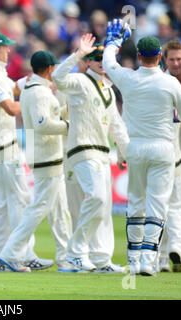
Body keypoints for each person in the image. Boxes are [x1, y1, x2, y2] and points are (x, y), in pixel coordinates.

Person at [103, 19, 181, 276]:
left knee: (136, 201)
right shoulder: (170, 83)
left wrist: (113, 41)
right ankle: (150, 262)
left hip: (136, 147)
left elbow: (109, 63)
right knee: (158, 204)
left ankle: (134, 258)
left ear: (140, 56)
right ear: (160, 57)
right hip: (163, 148)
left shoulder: (128, 78)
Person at [0, 32, 53, 272]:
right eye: (5, 48)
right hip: (3, 146)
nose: (9, 51)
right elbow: (10, 107)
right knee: (21, 200)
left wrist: (37, 80)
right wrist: (36, 100)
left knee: (0, 203)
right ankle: (21, 255)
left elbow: (16, 88)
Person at [52, 33, 129, 273]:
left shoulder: (108, 89)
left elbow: (116, 125)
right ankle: (75, 254)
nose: (101, 64)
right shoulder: (81, 81)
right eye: (96, 60)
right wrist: (79, 54)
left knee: (103, 209)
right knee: (97, 198)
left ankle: (101, 258)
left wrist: (123, 153)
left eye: (104, 60)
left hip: (102, 153)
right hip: (82, 151)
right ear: (88, 62)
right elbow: (58, 77)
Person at [0, 50, 73, 273]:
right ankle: (11, 253)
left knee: (60, 210)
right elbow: (43, 125)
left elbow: (52, 115)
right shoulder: (40, 92)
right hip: (46, 156)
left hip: (46, 155)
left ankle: (66, 257)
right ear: (49, 69)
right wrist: (69, 126)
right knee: (39, 207)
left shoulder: (33, 88)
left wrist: (72, 110)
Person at [158, 39, 181, 272]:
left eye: (180, 59)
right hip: (166, 149)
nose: (176, 63)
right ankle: (164, 255)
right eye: (172, 59)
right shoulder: (159, 82)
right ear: (164, 60)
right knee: (164, 203)